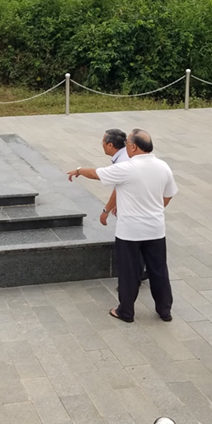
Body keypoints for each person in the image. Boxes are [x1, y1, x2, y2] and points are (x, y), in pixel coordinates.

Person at [68, 129, 178, 323]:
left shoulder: (127, 167)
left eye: (127, 143)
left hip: (130, 232)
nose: (125, 146)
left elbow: (95, 173)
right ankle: (165, 311)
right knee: (159, 270)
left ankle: (126, 311)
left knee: (129, 272)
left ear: (133, 147)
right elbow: (168, 195)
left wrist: (78, 170)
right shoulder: (163, 166)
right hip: (156, 229)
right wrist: (153, 210)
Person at [99, 128, 128, 227]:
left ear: (110, 145)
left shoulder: (122, 162)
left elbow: (118, 188)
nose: (102, 145)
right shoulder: (125, 155)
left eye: (103, 142)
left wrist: (106, 211)